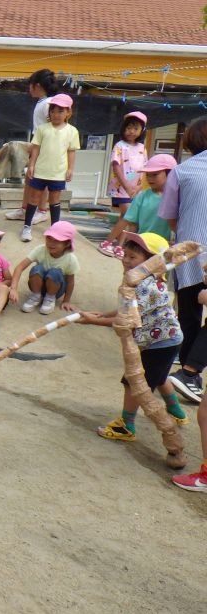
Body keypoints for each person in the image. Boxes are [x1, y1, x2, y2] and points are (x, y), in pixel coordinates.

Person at [78, 232, 186, 441]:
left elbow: (129, 319)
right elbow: (126, 309)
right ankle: (177, 413)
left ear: (152, 262)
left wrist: (94, 321)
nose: (126, 261)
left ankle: (126, 425)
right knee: (161, 377)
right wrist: (106, 314)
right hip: (168, 339)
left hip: (159, 343)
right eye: (125, 255)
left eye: (133, 257)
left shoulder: (144, 286)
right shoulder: (150, 279)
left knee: (132, 381)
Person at [158, 117, 207, 403]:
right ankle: (189, 373)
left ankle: (189, 373)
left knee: (188, 313)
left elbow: (172, 216)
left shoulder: (181, 170)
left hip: (190, 250)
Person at [22, 93, 80, 242]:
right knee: (34, 198)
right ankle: (27, 227)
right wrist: (32, 165)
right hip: (40, 171)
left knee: (54, 200)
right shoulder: (42, 128)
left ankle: (55, 229)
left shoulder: (72, 131)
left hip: (58, 173)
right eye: (52, 111)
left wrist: (70, 169)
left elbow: (71, 151)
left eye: (60, 111)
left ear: (68, 112)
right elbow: (35, 148)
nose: (56, 114)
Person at [7, 68, 60, 225]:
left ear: (36, 85)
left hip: (45, 149)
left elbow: (53, 129)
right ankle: (24, 209)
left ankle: (42, 211)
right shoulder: (42, 102)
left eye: (30, 85)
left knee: (41, 181)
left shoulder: (49, 104)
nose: (29, 89)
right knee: (30, 179)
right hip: (37, 146)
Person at [98, 112, 149, 258]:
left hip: (135, 190)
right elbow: (116, 167)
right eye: (128, 128)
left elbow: (145, 169)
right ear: (123, 129)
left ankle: (119, 246)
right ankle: (107, 242)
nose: (131, 131)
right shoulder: (119, 146)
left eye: (135, 128)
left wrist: (139, 187)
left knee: (127, 217)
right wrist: (126, 185)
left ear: (141, 131)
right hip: (120, 188)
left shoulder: (142, 148)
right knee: (128, 215)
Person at [10, 220, 79, 314]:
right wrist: (13, 288)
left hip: (56, 289)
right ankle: (35, 296)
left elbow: (70, 282)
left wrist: (66, 301)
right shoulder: (40, 250)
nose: (51, 243)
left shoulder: (70, 259)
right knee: (37, 269)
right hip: (38, 287)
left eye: (57, 241)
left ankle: (50, 298)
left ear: (67, 244)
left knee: (55, 272)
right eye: (49, 238)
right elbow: (20, 267)